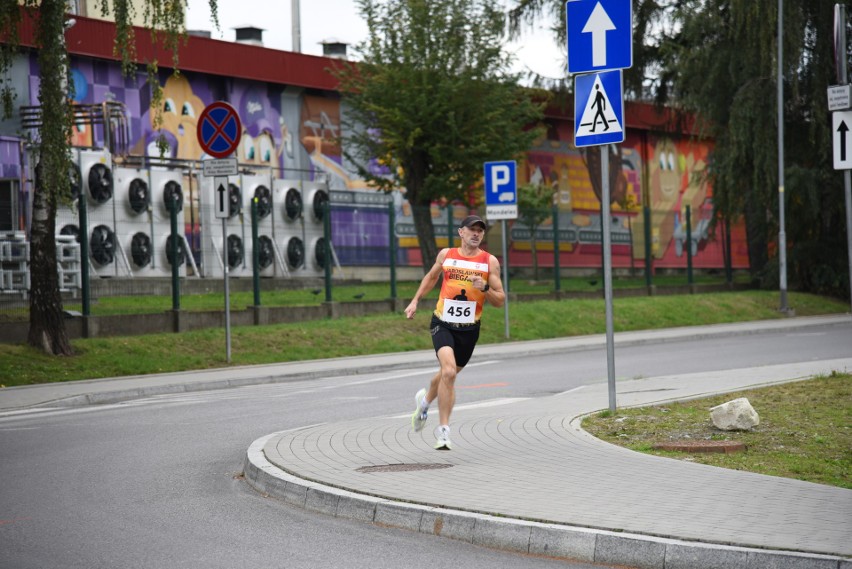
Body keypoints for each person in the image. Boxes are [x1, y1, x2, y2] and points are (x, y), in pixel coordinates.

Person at [404, 215, 505, 450]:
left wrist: (486, 289)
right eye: (472, 229)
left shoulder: (489, 262)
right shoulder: (446, 255)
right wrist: (415, 301)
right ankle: (444, 431)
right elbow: (431, 278)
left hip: (469, 330)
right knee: (449, 371)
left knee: (445, 375)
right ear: (461, 232)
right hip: (443, 322)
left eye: (480, 230)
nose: (476, 234)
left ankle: (424, 403)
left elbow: (500, 300)